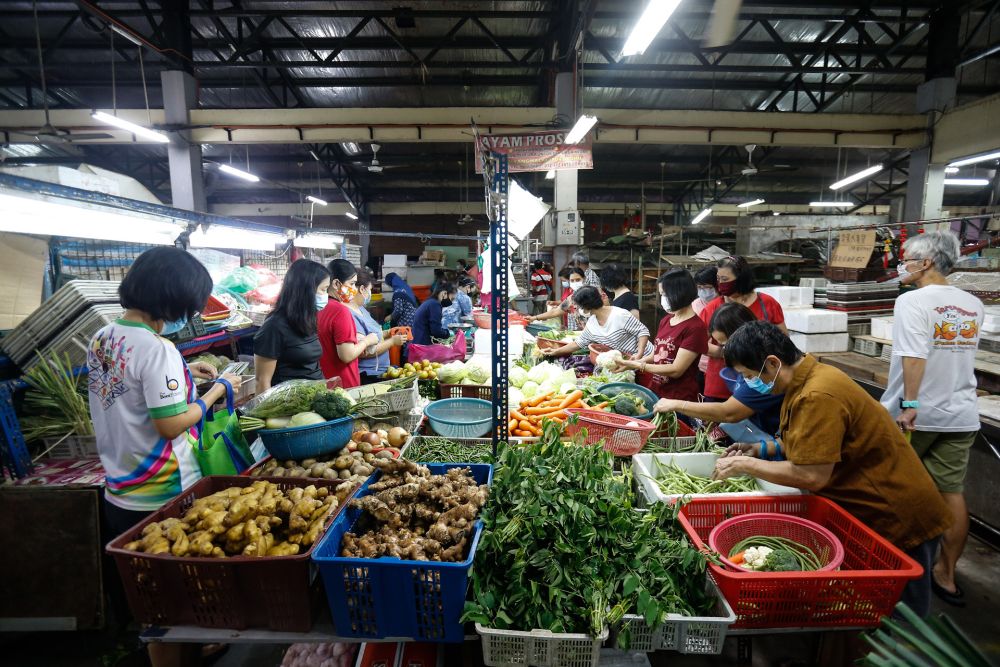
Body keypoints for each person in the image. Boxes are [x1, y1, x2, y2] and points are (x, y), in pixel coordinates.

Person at [713, 321, 951, 617]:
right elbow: (812, 440)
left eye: (749, 376)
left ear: (772, 363)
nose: (749, 383)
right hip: (874, 507)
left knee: (900, 624)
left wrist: (745, 464)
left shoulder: (816, 394)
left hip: (896, 512)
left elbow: (812, 474)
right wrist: (763, 449)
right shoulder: (807, 381)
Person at [88, 247, 242, 666]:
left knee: (152, 594)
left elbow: (131, 396)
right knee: (176, 594)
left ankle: (187, 648)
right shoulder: (158, 349)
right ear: (173, 300)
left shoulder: (104, 337)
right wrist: (215, 393)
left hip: (120, 492)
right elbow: (171, 424)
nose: (190, 315)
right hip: (163, 495)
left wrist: (186, 378)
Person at [880, 231, 983, 608]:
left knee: (891, 491)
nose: (901, 266)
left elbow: (914, 356)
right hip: (960, 414)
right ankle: (946, 574)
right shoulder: (972, 304)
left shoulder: (913, 301)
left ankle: (894, 573)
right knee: (951, 494)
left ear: (926, 263)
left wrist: (910, 405)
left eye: (906, 259)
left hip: (916, 417)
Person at [654, 302, 785, 438]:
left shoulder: (762, 370)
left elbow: (729, 412)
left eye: (725, 343)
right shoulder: (752, 363)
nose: (724, 350)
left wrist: (676, 404)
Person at [700, 255, 786, 402]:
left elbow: (782, 339)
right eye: (718, 279)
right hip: (721, 383)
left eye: (725, 279)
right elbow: (698, 342)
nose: (720, 284)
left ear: (741, 278)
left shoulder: (767, 304)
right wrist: (728, 352)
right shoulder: (713, 307)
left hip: (760, 382)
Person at [617, 269, 706, 404]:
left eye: (665, 294)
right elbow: (658, 353)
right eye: (661, 294)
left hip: (678, 398)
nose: (662, 299)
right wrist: (637, 362)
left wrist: (639, 365)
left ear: (680, 293)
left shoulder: (695, 328)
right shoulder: (666, 320)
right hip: (657, 390)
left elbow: (676, 370)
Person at [254, 259, 330, 393]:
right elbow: (262, 381)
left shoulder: (307, 319)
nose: (326, 296)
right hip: (289, 405)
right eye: (323, 290)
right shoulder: (274, 326)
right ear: (306, 290)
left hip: (315, 397)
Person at [318, 259, 380, 389]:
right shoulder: (340, 311)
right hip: (344, 384)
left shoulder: (321, 308)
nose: (354, 289)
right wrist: (367, 341)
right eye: (352, 284)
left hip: (325, 381)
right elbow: (346, 355)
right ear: (336, 283)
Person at [541, 286, 649, 358]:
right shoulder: (592, 322)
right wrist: (555, 351)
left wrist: (639, 353)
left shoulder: (619, 315)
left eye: (578, 306)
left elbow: (642, 332)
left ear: (587, 306)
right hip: (627, 362)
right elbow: (578, 343)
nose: (577, 309)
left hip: (645, 358)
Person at [349, 268, 407, 384]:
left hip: (380, 371)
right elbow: (364, 352)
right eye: (370, 289)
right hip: (368, 374)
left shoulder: (361, 309)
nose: (370, 293)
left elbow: (373, 335)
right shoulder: (351, 315)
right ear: (361, 289)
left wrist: (388, 332)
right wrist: (392, 342)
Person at [527, 266, 587, 331]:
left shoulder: (591, 294)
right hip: (578, 334)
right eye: (572, 281)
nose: (575, 283)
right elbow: (556, 311)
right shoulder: (572, 297)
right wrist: (534, 318)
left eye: (578, 280)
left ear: (584, 279)